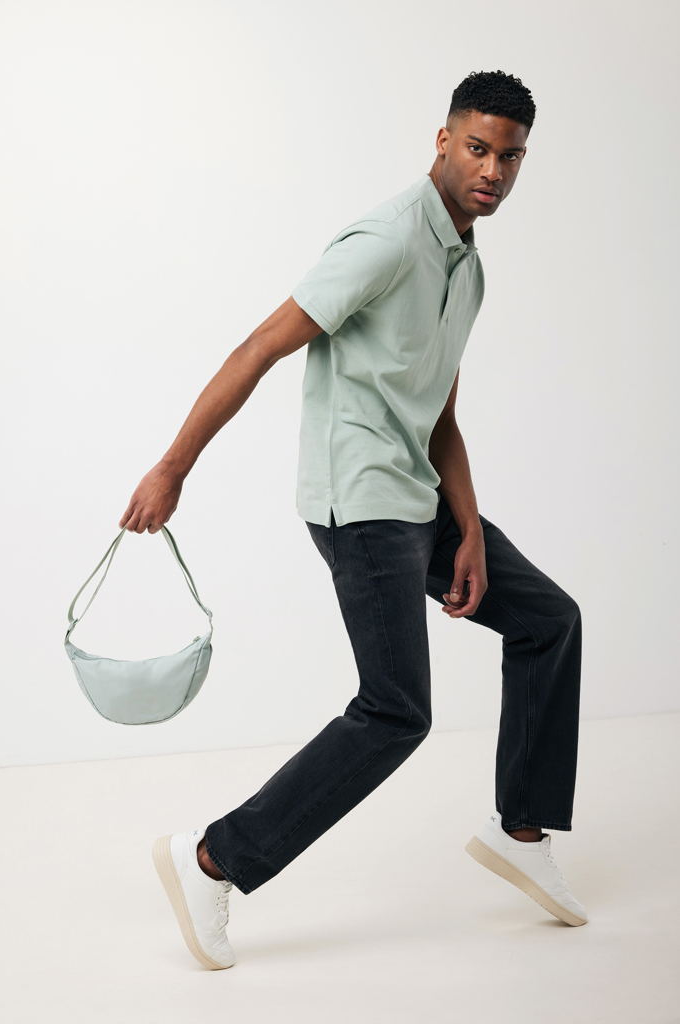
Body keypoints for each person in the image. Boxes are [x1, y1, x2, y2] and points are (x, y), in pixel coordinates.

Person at [122, 70, 587, 971]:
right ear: (443, 142)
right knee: (394, 711)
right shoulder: (384, 239)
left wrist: (471, 532)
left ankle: (522, 831)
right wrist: (173, 466)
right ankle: (212, 859)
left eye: (510, 157)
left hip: (418, 495)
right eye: (478, 148)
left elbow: (440, 415)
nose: (492, 170)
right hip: (359, 504)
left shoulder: (467, 267)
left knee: (547, 620)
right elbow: (259, 346)